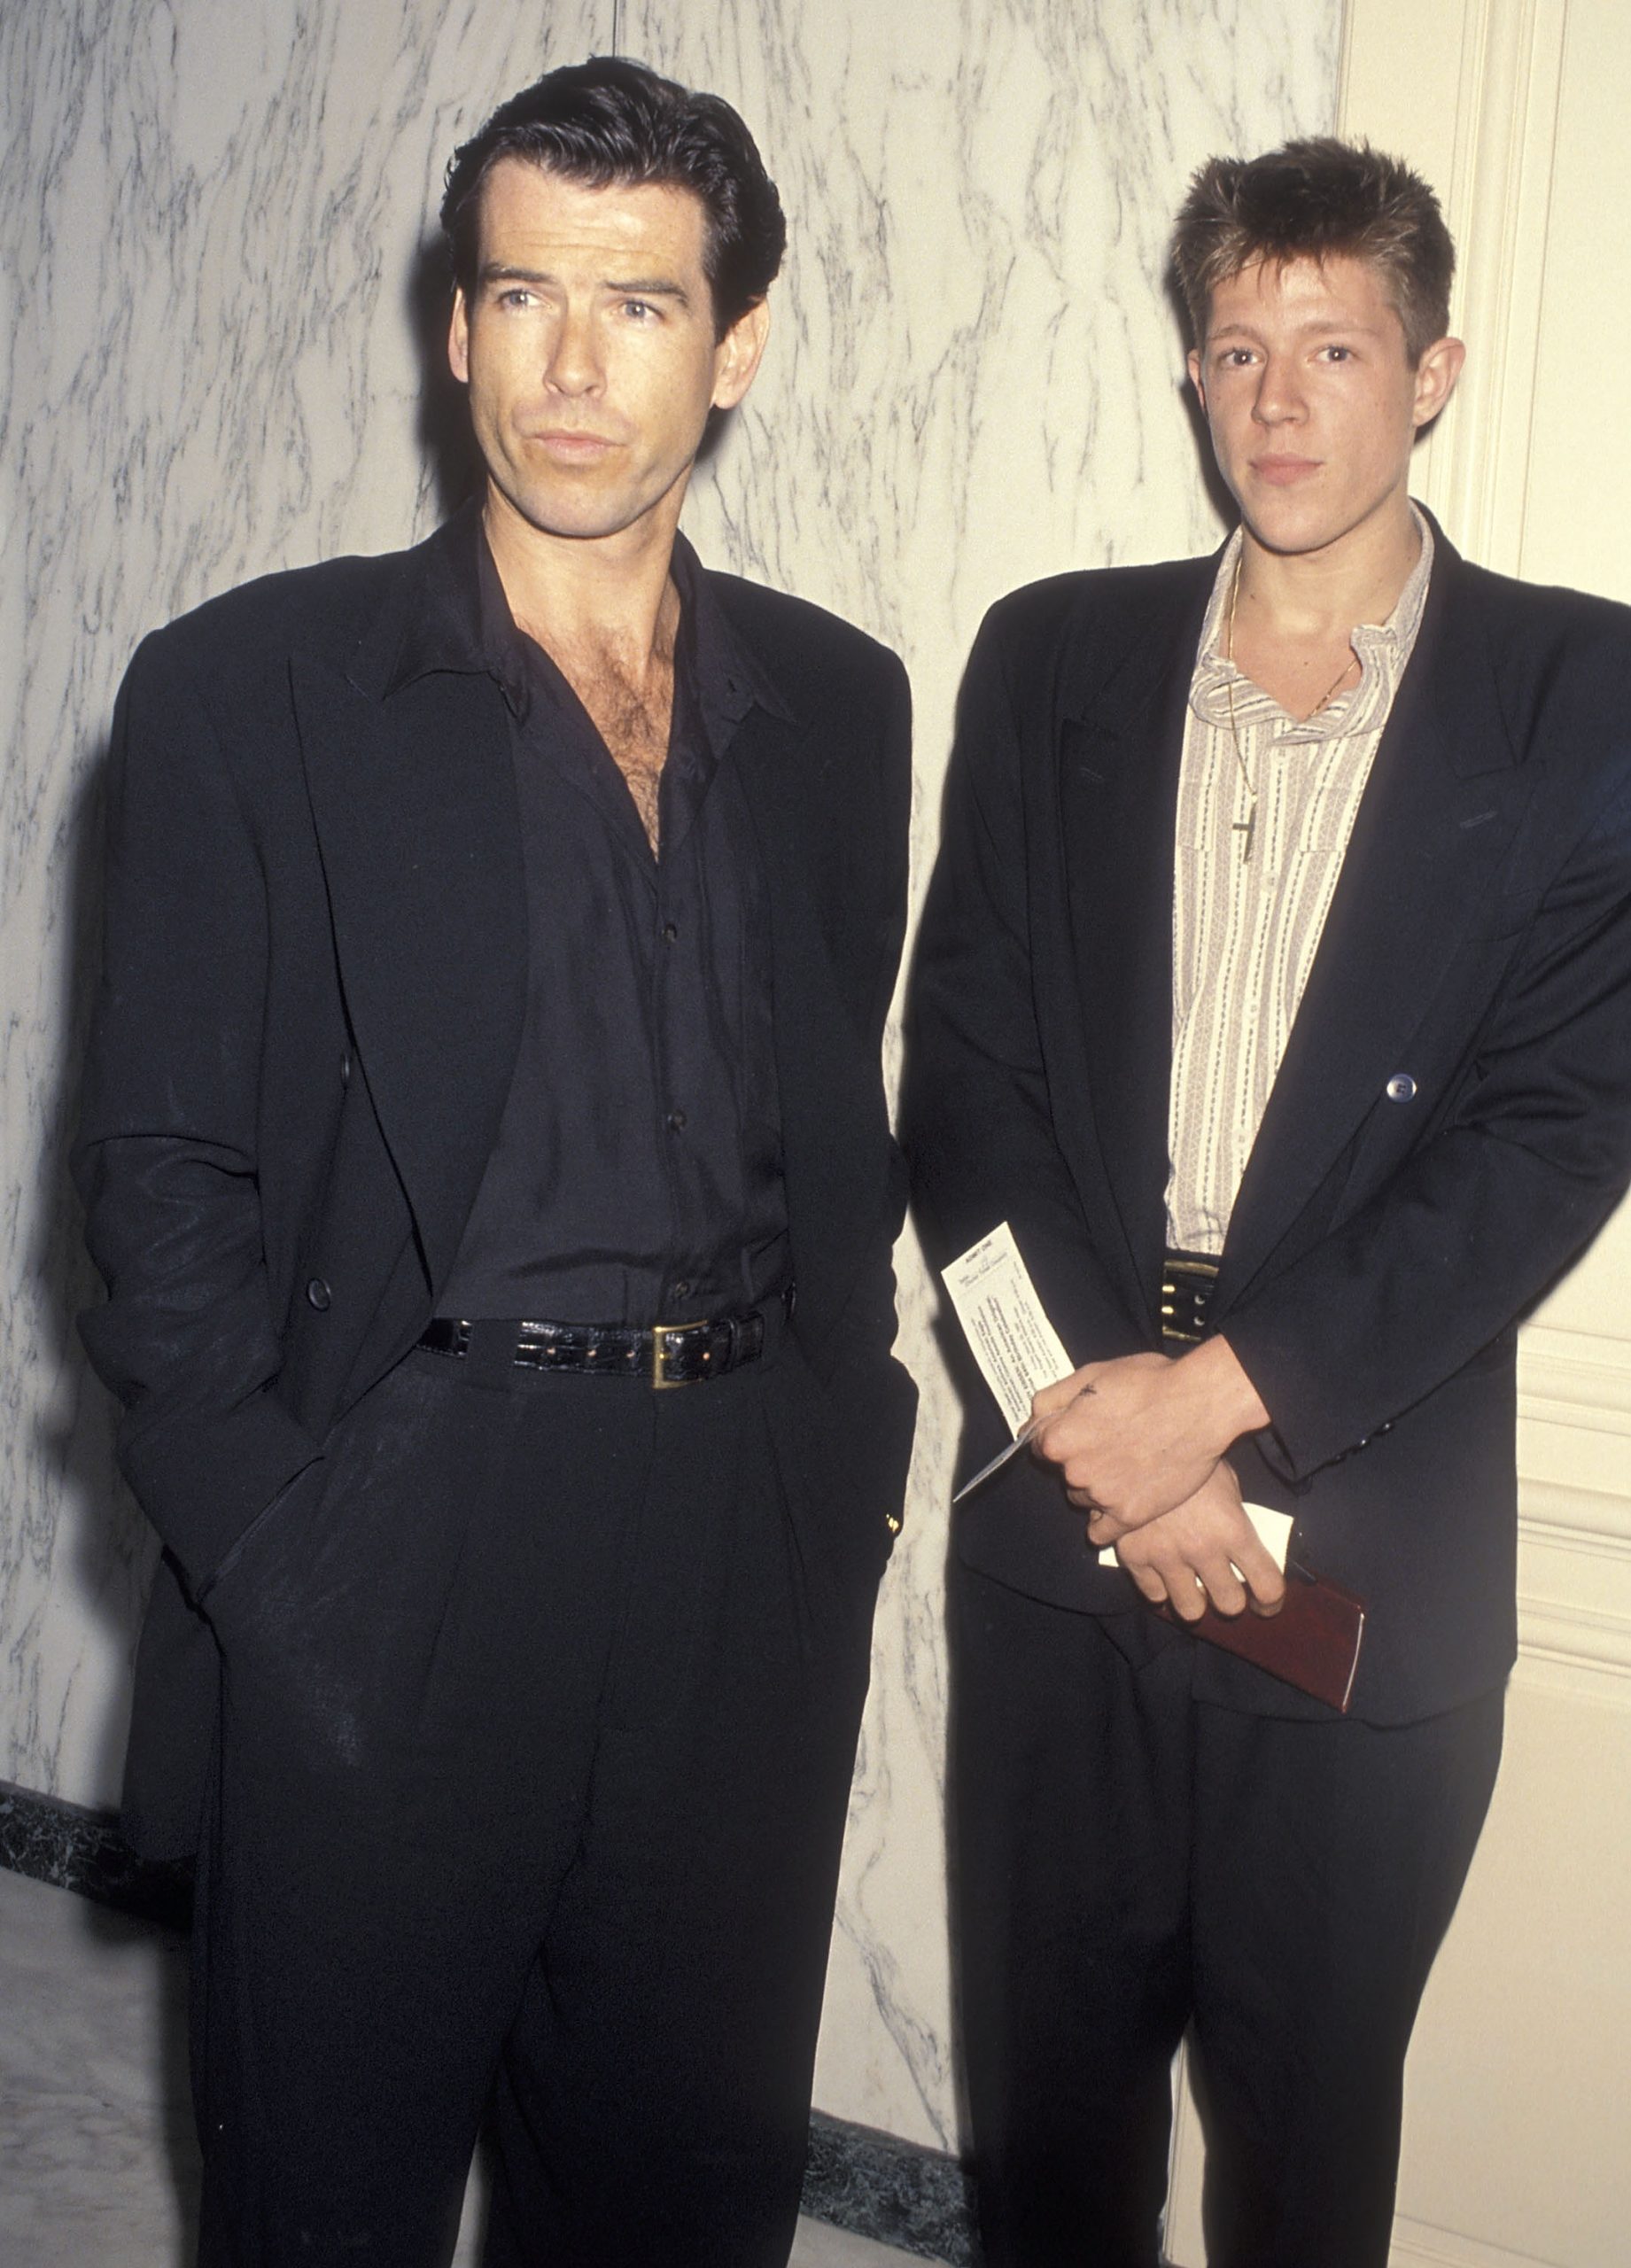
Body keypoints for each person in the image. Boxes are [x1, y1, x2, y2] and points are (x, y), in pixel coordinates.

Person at [74, 57, 915, 2268]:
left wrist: (854, 1461)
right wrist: (280, 1549)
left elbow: (836, 1122)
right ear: (453, 323)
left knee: (676, 2192)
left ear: (735, 348)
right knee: (326, 2194)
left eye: (636, 306)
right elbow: (155, 1177)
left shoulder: (847, 704)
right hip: (400, 1516)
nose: (566, 362)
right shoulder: (249, 686)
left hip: (742, 1535)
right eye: (518, 291)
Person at [905, 137, 1631, 2268]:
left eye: (1334, 345)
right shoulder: (1051, 662)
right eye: (1240, 349)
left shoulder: (1584, 696)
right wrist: (1106, 1441)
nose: (1282, 399)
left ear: (1435, 371)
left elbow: (1553, 1133)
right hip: (1061, 1519)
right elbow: (966, 1098)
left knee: (1309, 2157)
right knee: (1052, 2138)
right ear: (1195, 372)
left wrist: (1216, 1402)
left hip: (1372, 1536)